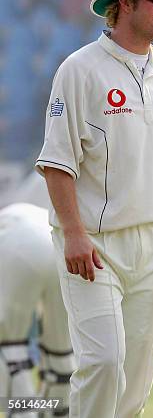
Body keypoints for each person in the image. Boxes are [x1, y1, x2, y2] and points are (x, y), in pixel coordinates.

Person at [35, 0, 153, 417]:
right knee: (103, 363)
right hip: (94, 245)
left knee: (134, 381)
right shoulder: (80, 69)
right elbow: (57, 163)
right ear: (124, 3)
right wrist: (73, 233)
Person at [0, 176, 74, 418]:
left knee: (11, 348)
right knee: (60, 355)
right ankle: (57, 410)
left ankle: (25, 412)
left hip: (22, 241)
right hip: (62, 245)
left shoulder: (17, 208)